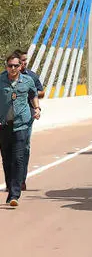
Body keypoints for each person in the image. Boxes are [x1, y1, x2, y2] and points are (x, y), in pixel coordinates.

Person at [0, 52, 40, 206]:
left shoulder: (28, 80)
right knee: (7, 159)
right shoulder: (1, 80)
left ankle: (14, 195)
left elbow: (33, 94)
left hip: (21, 124)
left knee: (18, 158)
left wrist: (37, 108)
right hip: (3, 125)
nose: (13, 68)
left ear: (21, 66)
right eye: (10, 66)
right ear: (6, 66)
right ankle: (11, 186)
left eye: (16, 65)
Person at [13, 49, 44, 191]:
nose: (25, 63)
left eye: (26, 60)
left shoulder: (31, 76)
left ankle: (20, 180)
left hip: (27, 116)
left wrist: (27, 91)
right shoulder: (6, 77)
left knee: (24, 147)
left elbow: (41, 92)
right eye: (22, 61)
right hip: (9, 116)